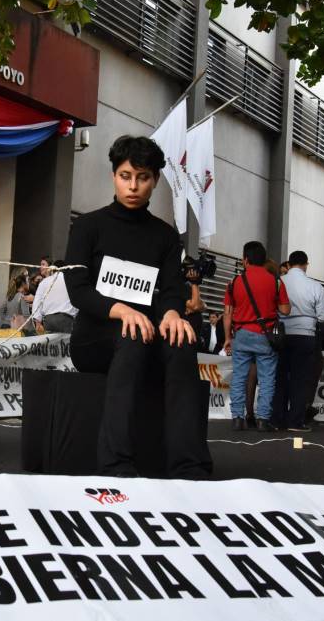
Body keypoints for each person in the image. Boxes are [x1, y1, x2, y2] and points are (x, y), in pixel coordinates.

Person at [64, 135, 211, 479]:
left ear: (155, 180)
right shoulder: (88, 226)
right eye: (125, 176)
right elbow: (78, 291)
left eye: (143, 177)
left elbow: (173, 289)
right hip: (95, 338)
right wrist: (123, 310)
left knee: (182, 340)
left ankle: (189, 466)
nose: (133, 186)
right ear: (114, 176)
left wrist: (173, 313)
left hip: (146, 334)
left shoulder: (164, 236)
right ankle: (116, 465)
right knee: (131, 337)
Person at [224, 241, 291, 432]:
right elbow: (285, 310)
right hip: (265, 335)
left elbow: (227, 313)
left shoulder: (234, 282)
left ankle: (237, 418)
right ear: (263, 260)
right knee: (267, 378)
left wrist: (228, 337)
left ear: (245, 259)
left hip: (242, 334)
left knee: (239, 377)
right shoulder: (276, 281)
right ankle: (263, 419)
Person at [272, 250, 324, 432]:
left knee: (279, 378)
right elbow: (323, 315)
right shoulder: (315, 286)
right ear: (306, 265)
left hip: (281, 334)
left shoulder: (279, 283)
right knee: (300, 379)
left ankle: (277, 420)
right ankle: (295, 421)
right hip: (306, 335)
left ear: (288, 265)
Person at [31, 259, 78, 334]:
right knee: (65, 345)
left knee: (51, 345)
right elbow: (76, 301)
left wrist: (38, 322)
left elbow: (37, 302)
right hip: (66, 319)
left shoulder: (44, 282)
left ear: (53, 269)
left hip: (48, 320)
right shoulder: (70, 281)